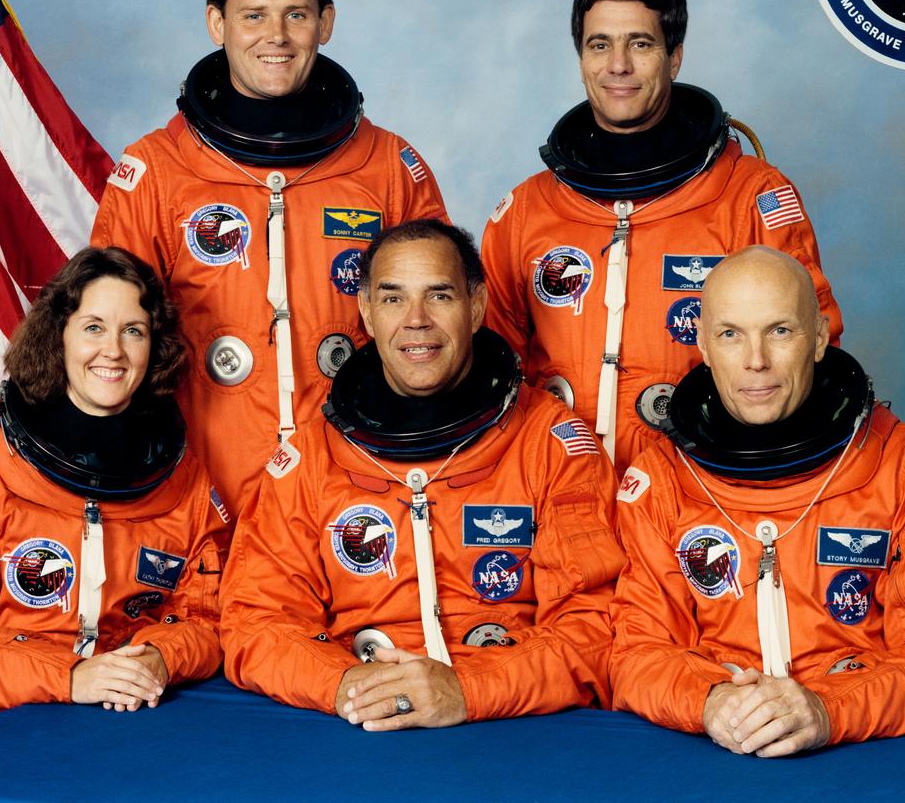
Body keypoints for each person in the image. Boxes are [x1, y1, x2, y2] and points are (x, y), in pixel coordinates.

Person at [93, 0, 448, 517]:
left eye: (297, 15)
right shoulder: (156, 169)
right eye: (253, 15)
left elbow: (444, 330)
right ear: (217, 24)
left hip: (355, 481)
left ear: (325, 24)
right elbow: (107, 335)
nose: (275, 35)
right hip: (203, 482)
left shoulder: (387, 166)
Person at [221, 220, 622, 728]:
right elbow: (255, 619)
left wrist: (468, 688)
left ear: (475, 307)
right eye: (392, 299)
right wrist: (346, 684)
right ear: (365, 311)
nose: (416, 321)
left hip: (512, 726)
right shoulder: (311, 455)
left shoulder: (552, 443)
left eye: (439, 295)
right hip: (360, 723)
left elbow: (593, 624)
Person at [610, 246, 905, 756]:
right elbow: (636, 652)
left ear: (818, 339)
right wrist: (711, 700)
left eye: (780, 331)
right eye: (731, 334)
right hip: (717, 757)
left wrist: (826, 708)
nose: (756, 361)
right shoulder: (659, 480)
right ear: (702, 344)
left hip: (861, 756)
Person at [481, 0, 841, 474]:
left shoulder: (750, 196)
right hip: (558, 492)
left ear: (674, 58)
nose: (618, 65)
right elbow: (489, 367)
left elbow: (807, 349)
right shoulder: (526, 211)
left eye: (641, 45)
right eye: (599, 45)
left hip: (697, 496)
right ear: (581, 58)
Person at [0, 247, 225, 736]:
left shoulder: (184, 480)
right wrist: (69, 675)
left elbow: (209, 616)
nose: (113, 350)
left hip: (125, 721)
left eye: (132, 330)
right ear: (59, 336)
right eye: (93, 327)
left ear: (154, 347)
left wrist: (160, 656)